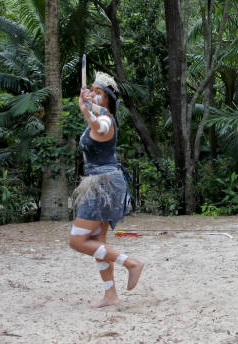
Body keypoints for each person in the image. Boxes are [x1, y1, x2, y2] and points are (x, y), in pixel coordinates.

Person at [68, 72, 144, 307]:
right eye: (92, 89)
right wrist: (87, 104)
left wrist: (86, 109)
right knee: (97, 241)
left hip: (104, 184)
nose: (94, 94)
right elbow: (95, 117)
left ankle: (131, 263)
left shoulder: (106, 120)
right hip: (104, 182)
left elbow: (99, 125)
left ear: (109, 99)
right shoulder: (100, 114)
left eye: (99, 92)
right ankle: (110, 295)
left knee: (77, 241)